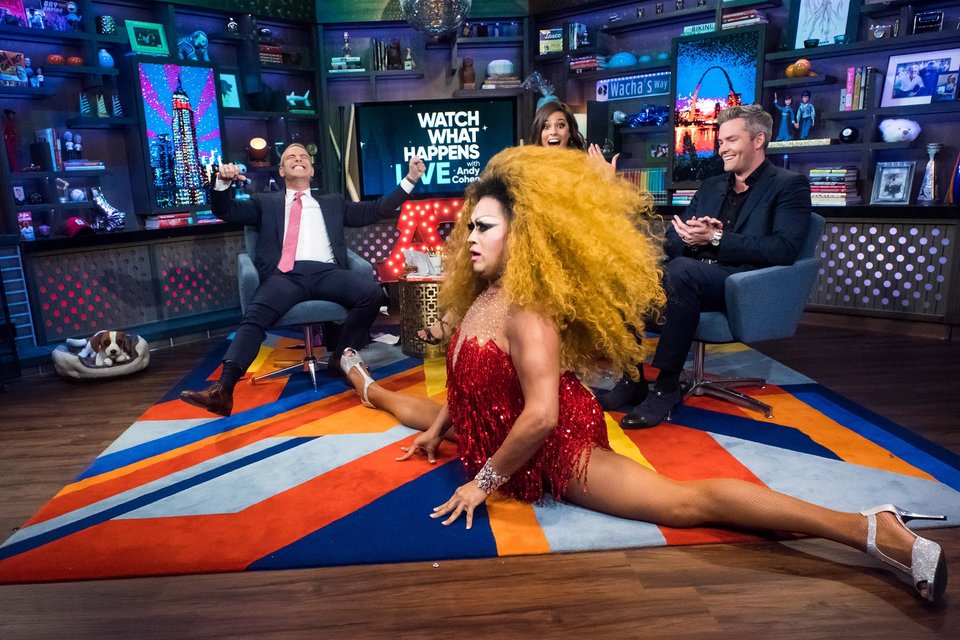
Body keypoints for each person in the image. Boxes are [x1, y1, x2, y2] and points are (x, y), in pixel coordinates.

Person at [340, 144, 947, 605]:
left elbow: (543, 415)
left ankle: (868, 528)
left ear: (522, 235)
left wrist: (483, 482)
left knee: (687, 502)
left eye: (484, 227)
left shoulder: (529, 312)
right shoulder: (480, 295)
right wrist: (443, 427)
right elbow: (470, 384)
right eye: (470, 226)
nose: (469, 237)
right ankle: (366, 383)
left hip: (554, 443)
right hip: (491, 423)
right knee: (416, 413)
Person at [179, 143, 426, 417]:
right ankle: (223, 390)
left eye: (304, 156)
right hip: (285, 276)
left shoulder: (332, 202)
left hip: (326, 272)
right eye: (291, 157)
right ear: (281, 170)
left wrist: (410, 179)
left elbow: (375, 210)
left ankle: (340, 356)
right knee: (254, 317)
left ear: (311, 170)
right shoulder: (265, 202)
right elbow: (226, 211)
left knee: (372, 294)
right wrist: (222, 183)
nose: (298, 159)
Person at [614, 104, 811, 428]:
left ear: (758, 140)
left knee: (681, 271)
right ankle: (632, 380)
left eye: (731, 140)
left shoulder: (789, 185)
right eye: (720, 141)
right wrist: (692, 239)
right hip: (691, 276)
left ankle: (666, 387)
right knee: (629, 272)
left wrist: (717, 238)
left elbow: (784, 249)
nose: (722, 149)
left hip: (743, 283)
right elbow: (672, 240)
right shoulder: (711, 185)